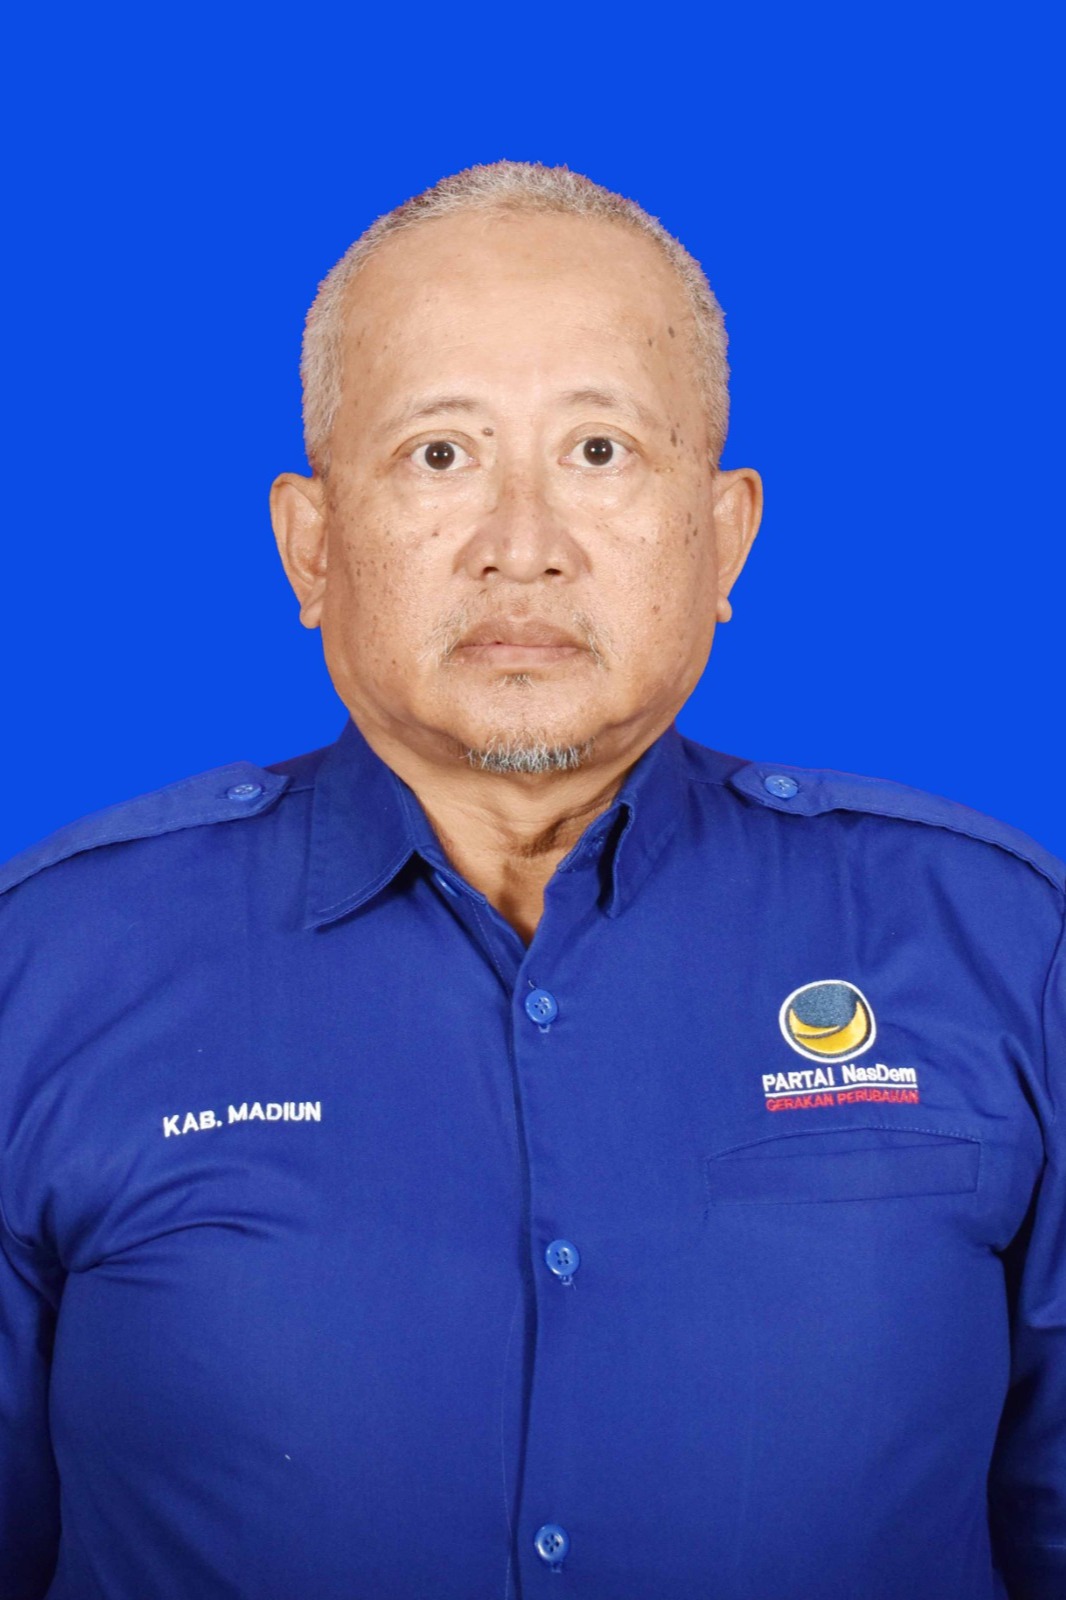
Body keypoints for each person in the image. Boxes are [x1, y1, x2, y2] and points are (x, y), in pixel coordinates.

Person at [0, 160, 1061, 1600]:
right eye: (439, 454)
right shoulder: (51, 971)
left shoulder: (1001, 949)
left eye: (599, 451)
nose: (522, 548)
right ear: (311, 544)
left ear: (725, 533)